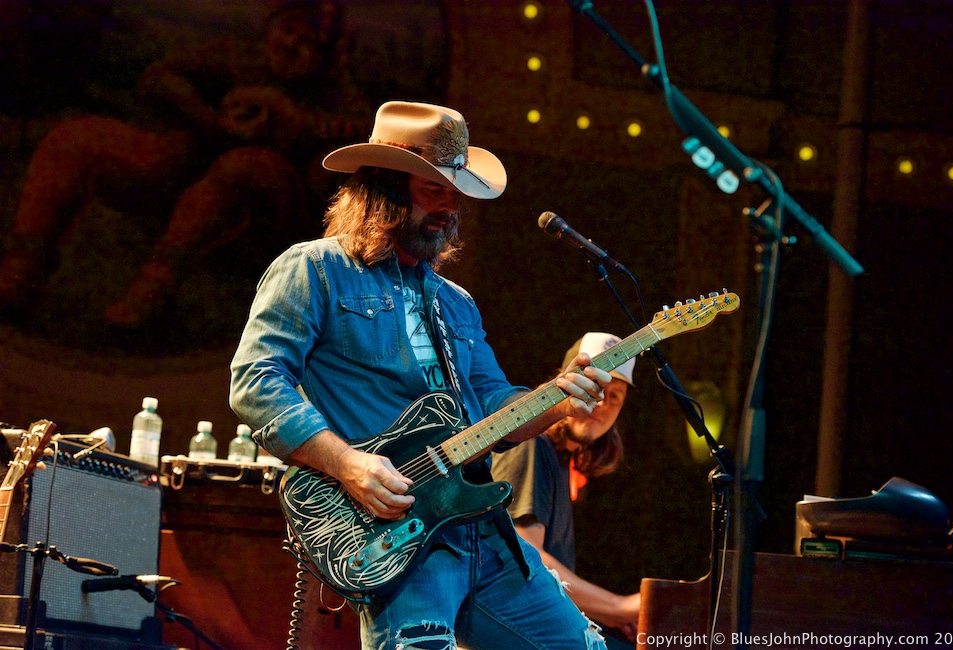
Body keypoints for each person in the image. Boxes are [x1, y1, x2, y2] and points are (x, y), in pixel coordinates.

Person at [229, 100, 618, 649]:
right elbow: (256, 380)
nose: (451, 204)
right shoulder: (314, 269)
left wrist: (558, 399)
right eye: (435, 188)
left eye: (455, 190)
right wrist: (347, 463)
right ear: (386, 186)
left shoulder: (456, 302)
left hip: (483, 531)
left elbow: (494, 404)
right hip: (399, 531)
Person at [0, 0, 370, 326]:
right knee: (78, 139)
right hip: (179, 172)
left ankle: (153, 287)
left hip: (261, 217)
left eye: (308, 44)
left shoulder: (336, 93)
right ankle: (21, 269)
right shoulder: (236, 56)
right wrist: (210, 119)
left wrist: (298, 123)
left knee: (245, 166)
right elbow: (158, 79)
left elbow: (365, 140)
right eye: (289, 30)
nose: (291, 45)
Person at [491, 332, 643, 648]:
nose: (602, 404)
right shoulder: (531, 445)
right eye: (596, 387)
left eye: (615, 396)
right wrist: (618, 607)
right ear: (567, 383)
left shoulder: (563, 464)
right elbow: (526, 559)